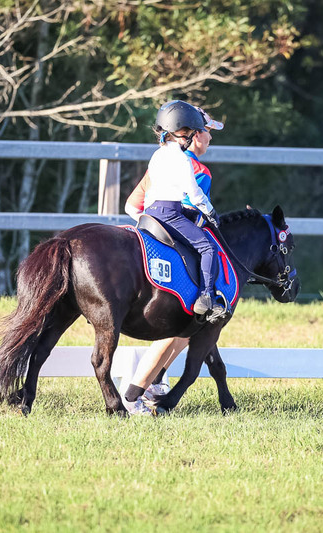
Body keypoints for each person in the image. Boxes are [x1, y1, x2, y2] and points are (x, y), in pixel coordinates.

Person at [122, 103, 225, 415]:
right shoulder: (194, 167)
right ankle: (207, 298)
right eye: (205, 130)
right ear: (190, 133)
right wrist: (211, 213)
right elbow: (195, 198)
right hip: (173, 217)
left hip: (149, 218)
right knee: (208, 249)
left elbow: (133, 204)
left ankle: (155, 382)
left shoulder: (158, 155)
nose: (208, 137)